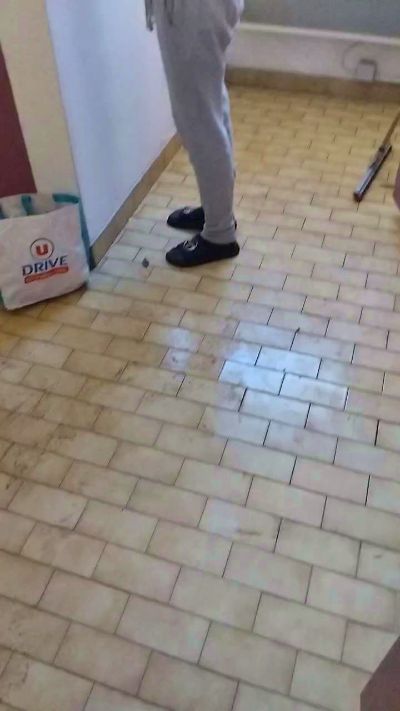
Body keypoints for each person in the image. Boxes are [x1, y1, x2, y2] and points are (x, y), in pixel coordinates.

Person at [145, 0, 244, 267]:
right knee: (210, 107)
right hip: (197, 9)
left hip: (192, 9)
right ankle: (217, 212)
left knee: (199, 121)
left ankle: (219, 234)